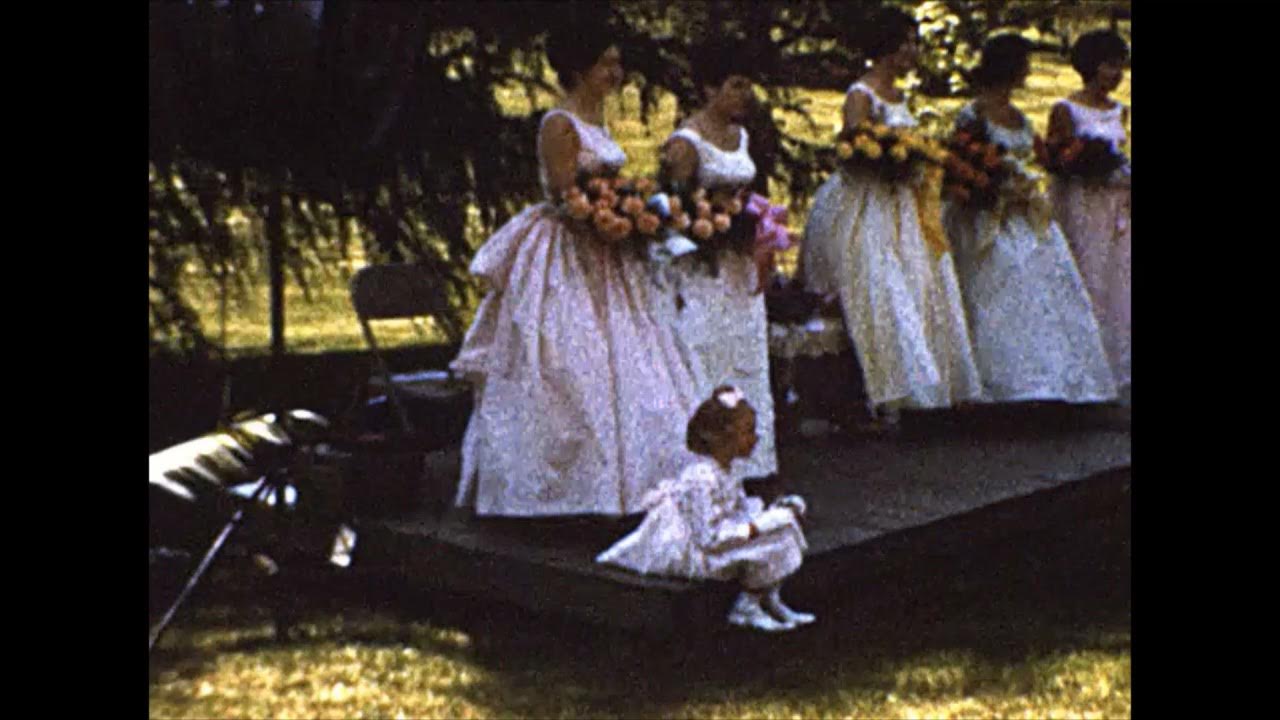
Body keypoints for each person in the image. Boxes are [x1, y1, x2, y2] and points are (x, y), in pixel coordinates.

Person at [450, 17, 701, 517]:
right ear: (580, 66)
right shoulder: (559, 124)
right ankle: (566, 491)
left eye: (616, 62)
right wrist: (606, 217)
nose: (616, 71)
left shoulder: (599, 123)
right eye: (606, 62)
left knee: (635, 360)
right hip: (570, 251)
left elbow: (604, 184)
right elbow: (566, 192)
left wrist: (634, 213)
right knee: (570, 362)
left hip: (611, 250)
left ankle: (634, 482)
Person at [799, 8, 982, 429]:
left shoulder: (899, 95)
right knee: (879, 285)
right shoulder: (861, 94)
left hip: (905, 201)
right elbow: (854, 148)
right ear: (887, 47)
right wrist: (890, 162)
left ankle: (921, 383)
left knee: (918, 281)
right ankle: (882, 388)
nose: (912, 51)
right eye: (907, 43)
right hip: (868, 202)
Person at [943, 34, 1118, 404]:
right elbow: (962, 161)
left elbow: (1036, 156)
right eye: (1024, 63)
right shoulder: (974, 115)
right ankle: (999, 380)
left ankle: (1049, 380)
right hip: (988, 212)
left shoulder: (1020, 117)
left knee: (1046, 276)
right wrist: (991, 185)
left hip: (1023, 210)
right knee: (1006, 274)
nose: (1028, 71)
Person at [655, 36, 778, 482]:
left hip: (740, 265)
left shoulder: (742, 136)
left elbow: (755, 196)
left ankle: (751, 458)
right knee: (704, 347)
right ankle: (704, 456)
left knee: (744, 349)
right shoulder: (686, 143)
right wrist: (714, 226)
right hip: (703, 266)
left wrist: (762, 234)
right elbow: (671, 211)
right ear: (708, 88)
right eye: (734, 85)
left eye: (747, 86)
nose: (743, 96)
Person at [597, 385, 814, 632]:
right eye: (748, 432)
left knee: (786, 530)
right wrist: (756, 528)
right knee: (773, 540)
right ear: (723, 438)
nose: (755, 438)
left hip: (721, 537)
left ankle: (768, 597)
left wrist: (774, 513)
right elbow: (708, 538)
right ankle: (746, 605)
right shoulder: (700, 479)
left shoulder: (727, 471)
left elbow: (739, 510)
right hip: (696, 552)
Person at [1047, 30, 1131, 395]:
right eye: (1108, 64)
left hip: (1115, 204)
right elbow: (1057, 161)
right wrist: (1085, 165)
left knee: (1116, 283)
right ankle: (1081, 372)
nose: (1115, 73)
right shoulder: (1066, 109)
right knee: (1087, 277)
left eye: (1120, 65)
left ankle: (1115, 370)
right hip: (1082, 202)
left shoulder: (1119, 110)